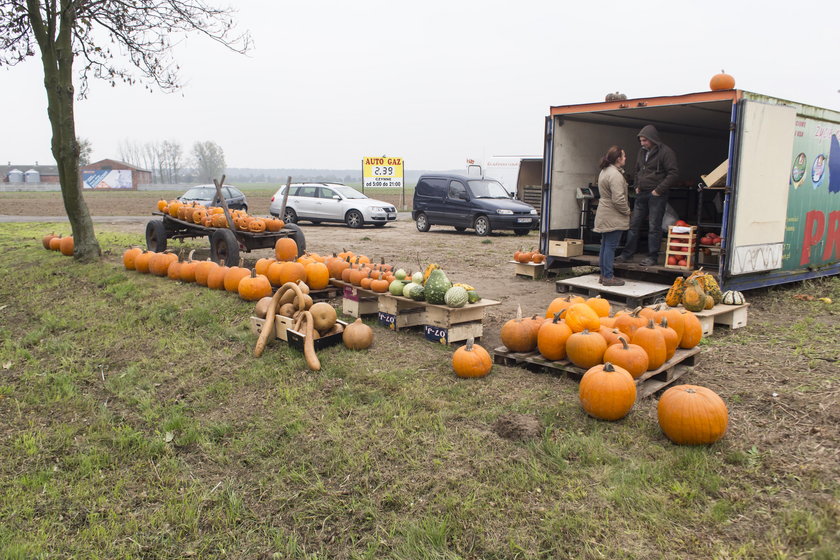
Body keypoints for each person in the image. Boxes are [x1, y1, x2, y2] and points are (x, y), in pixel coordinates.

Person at [615, 125, 679, 266]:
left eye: (645, 140)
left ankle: (652, 257)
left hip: (657, 194)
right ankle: (627, 255)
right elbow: (637, 169)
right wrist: (637, 185)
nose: (642, 143)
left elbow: (673, 173)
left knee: (654, 226)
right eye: (641, 141)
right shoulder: (641, 152)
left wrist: (659, 190)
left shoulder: (666, 152)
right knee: (634, 224)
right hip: (642, 193)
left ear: (652, 139)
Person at [594, 145, 631, 286]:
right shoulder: (615, 175)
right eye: (624, 156)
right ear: (618, 159)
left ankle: (603, 275)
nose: (625, 158)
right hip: (613, 214)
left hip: (604, 212)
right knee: (610, 246)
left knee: (605, 245)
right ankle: (608, 277)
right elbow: (618, 199)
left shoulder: (605, 171)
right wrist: (627, 211)